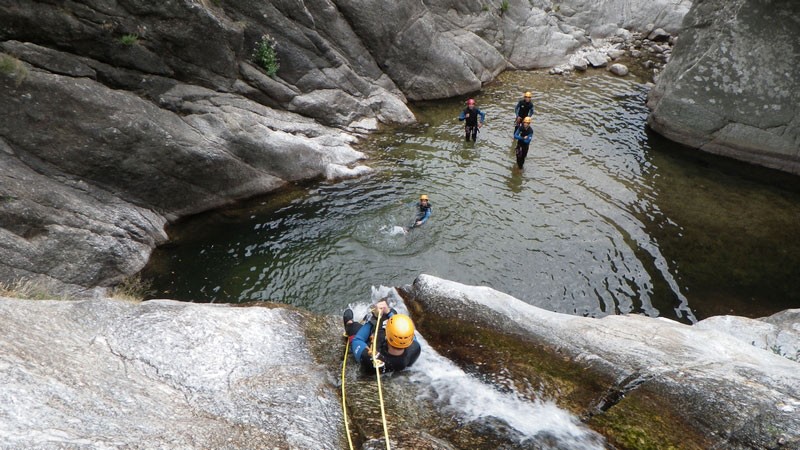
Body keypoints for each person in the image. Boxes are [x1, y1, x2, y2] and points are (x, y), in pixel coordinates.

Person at [343, 299, 421, 373]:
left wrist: (374, 319)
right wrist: (389, 312)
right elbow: (410, 334)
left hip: (373, 347)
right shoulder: (415, 349)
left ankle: (349, 323)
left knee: (353, 327)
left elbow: (357, 340)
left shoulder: (369, 357)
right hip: (391, 351)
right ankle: (386, 314)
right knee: (392, 312)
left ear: (387, 335)